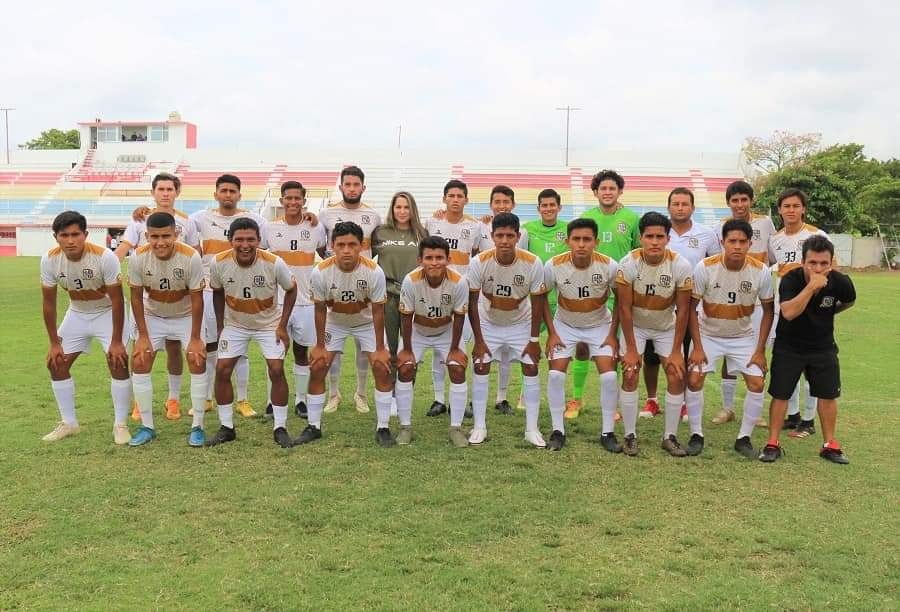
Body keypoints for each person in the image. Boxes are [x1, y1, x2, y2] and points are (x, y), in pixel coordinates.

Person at [759, 234, 855, 464]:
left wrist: (830, 312)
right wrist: (811, 287)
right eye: (812, 263)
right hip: (789, 345)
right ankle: (772, 443)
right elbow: (789, 312)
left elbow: (850, 300)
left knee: (828, 395)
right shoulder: (791, 279)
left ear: (831, 262)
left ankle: (830, 444)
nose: (818, 268)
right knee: (781, 394)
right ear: (803, 261)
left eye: (824, 263)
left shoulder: (840, 281)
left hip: (822, 346)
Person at [40, 211, 132, 444]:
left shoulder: (104, 257)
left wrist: (117, 341)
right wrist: (53, 343)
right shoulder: (49, 260)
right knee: (56, 364)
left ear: (85, 235)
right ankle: (69, 423)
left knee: (117, 362)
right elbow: (49, 303)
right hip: (77, 313)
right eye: (64, 235)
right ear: (56, 237)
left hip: (107, 312)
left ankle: (120, 424)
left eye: (75, 234)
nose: (70, 240)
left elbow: (117, 300)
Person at [298, 222, 393, 447]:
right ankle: (313, 426)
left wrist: (380, 348)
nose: (347, 250)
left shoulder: (374, 272)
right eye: (341, 245)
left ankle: (383, 427)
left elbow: (379, 311)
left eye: (352, 244)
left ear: (361, 246)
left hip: (366, 322)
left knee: (381, 366)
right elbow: (320, 309)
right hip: (336, 321)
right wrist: (320, 345)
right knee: (319, 365)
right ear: (332, 246)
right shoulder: (320, 272)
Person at [685, 220, 774, 458]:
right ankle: (696, 435)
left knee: (757, 383)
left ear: (750, 244)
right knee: (694, 379)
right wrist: (698, 346)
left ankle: (743, 438)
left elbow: (768, 312)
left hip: (742, 337)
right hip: (708, 334)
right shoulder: (705, 267)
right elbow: (691, 309)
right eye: (731, 241)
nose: (737, 246)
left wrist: (759, 350)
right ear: (722, 242)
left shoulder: (761, 271)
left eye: (742, 242)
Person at [206, 218, 297, 447]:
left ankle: (280, 427)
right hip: (235, 324)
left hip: (268, 324)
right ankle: (227, 427)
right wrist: (220, 325)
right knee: (223, 368)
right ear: (230, 240)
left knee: (276, 369)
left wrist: (282, 326)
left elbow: (291, 290)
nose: (245, 244)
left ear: (258, 241)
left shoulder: (274, 263)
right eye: (239, 239)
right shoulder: (218, 263)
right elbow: (217, 293)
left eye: (250, 239)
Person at [116, 172, 199, 421]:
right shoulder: (140, 220)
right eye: (160, 189)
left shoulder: (188, 222)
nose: (165, 193)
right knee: (141, 350)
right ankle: (139, 404)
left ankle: (172, 400)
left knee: (175, 349)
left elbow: (196, 253)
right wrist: (108, 266)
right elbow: (124, 247)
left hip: (179, 296)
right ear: (153, 192)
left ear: (177, 193)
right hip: (150, 296)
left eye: (169, 189)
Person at [467, 212, 549, 447]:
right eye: (499, 235)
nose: (504, 240)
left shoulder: (533, 262)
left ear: (518, 236)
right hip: (489, 323)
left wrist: (534, 339)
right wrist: (479, 340)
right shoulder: (479, 262)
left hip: (519, 324)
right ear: (492, 236)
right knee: (481, 365)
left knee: (531, 366)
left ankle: (531, 429)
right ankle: (479, 426)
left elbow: (539, 302)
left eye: (509, 236)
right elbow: (472, 304)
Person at [615, 212, 693, 456]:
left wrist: (676, 351)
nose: (655, 242)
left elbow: (683, 311)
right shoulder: (628, 264)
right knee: (629, 374)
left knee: (676, 373)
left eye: (660, 236)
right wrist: (630, 349)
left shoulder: (680, 265)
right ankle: (629, 435)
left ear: (668, 239)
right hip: (635, 325)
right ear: (641, 238)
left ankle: (669, 436)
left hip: (665, 326)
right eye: (650, 236)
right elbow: (624, 309)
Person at [127, 212, 207, 446]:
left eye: (166, 236)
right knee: (141, 360)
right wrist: (142, 336)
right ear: (146, 236)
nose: (160, 242)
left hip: (185, 315)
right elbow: (135, 298)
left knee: (197, 358)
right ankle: (147, 426)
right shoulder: (137, 257)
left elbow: (197, 299)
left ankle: (198, 426)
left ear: (176, 234)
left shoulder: (191, 256)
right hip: (153, 315)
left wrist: (194, 337)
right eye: (154, 237)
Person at [189, 174, 266, 417]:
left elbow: (271, 239)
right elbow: (175, 224)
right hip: (211, 292)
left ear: (239, 195)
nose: (228, 195)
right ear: (216, 194)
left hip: (241, 294)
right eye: (224, 190)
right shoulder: (200, 218)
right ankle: (209, 398)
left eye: (233, 191)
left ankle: (242, 400)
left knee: (240, 347)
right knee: (211, 346)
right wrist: (146, 212)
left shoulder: (254, 219)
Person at [640, 187, 720, 421]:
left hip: (690, 305)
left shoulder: (706, 234)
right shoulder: (659, 232)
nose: (680, 207)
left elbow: (714, 266)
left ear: (693, 208)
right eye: (675, 203)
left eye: (685, 204)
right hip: (658, 305)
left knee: (683, 354)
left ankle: (684, 402)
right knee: (652, 357)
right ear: (669, 207)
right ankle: (652, 399)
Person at [543, 218, 618, 450]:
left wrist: (613, 334)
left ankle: (608, 433)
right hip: (565, 324)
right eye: (576, 239)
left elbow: (623, 301)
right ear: (568, 241)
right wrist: (552, 332)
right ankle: (557, 430)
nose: (581, 244)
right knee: (555, 375)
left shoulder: (609, 266)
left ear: (596, 242)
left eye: (587, 239)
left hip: (599, 324)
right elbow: (541, 297)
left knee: (609, 376)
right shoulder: (553, 265)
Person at [571, 169, 640, 419]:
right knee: (581, 347)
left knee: (615, 348)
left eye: (612, 188)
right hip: (590, 290)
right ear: (595, 192)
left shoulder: (632, 218)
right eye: (603, 189)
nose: (608, 192)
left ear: (620, 191)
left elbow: (637, 253)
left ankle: (614, 406)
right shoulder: (586, 217)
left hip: (620, 290)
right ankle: (576, 399)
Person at [316, 166, 383, 415]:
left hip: (364, 286)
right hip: (335, 285)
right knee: (334, 347)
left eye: (357, 185)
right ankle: (333, 394)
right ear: (341, 186)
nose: (352, 189)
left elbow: (377, 247)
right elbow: (321, 245)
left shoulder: (374, 216)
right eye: (348, 184)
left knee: (364, 347)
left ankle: (361, 394)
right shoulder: (325, 214)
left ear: (363, 188)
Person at [712, 180, 777, 426]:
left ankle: (755, 411)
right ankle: (727, 408)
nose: (739, 205)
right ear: (728, 203)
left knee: (758, 354)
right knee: (729, 353)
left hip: (758, 300)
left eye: (744, 199)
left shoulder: (765, 223)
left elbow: (773, 258)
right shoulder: (720, 227)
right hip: (730, 299)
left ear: (751, 201)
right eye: (734, 200)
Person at [261, 181, 327, 419]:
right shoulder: (269, 228)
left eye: (297, 198)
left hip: (306, 301)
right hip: (276, 302)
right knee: (275, 353)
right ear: (281, 201)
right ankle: (271, 400)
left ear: (303, 201)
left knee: (301, 351)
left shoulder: (315, 228)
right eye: (288, 198)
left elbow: (326, 255)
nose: (292, 202)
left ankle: (300, 400)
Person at [396, 236, 470, 446]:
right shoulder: (411, 280)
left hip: (446, 331)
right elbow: (405, 317)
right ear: (420, 259)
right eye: (429, 257)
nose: (435, 262)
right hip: (417, 332)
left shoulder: (459, 282)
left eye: (439, 257)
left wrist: (455, 348)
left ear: (448, 259)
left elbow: (459, 317)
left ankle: (456, 428)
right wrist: (408, 349)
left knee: (457, 368)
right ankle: (405, 427)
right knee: (405, 368)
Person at [768, 188, 829, 436]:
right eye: (786, 206)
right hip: (784, 308)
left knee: (810, 367)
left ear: (803, 208)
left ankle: (808, 419)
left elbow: (830, 269)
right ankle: (792, 415)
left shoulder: (816, 235)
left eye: (796, 206)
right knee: (786, 361)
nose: (791, 210)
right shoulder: (776, 239)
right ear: (780, 210)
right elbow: (776, 267)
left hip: (812, 309)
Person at [424, 179, 482, 417]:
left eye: (460, 196)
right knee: (439, 348)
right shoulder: (432, 222)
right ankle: (438, 399)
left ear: (466, 200)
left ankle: (463, 398)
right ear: (444, 198)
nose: (455, 199)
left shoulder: (475, 226)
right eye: (451, 195)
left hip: (462, 293)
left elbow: (476, 255)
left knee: (461, 346)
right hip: (435, 293)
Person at [371, 191, 428, 403]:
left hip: (413, 297)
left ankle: (405, 392)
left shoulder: (422, 233)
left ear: (413, 209)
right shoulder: (381, 232)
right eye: (398, 207)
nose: (402, 211)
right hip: (387, 295)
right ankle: (390, 395)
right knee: (390, 349)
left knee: (409, 349)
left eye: (406, 207)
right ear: (392, 209)